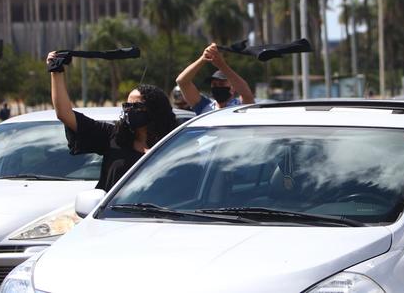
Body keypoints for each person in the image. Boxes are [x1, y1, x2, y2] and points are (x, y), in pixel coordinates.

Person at [46, 51, 177, 191]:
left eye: (136, 106)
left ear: (154, 110)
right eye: (127, 105)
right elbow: (64, 114)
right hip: (111, 212)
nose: (129, 110)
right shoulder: (114, 136)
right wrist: (56, 71)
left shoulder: (173, 144)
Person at [176, 43, 255, 114]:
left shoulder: (240, 106)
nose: (217, 87)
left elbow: (246, 92)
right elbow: (182, 81)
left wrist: (221, 64)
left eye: (221, 84)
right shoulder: (204, 106)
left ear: (233, 88)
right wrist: (203, 58)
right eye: (214, 84)